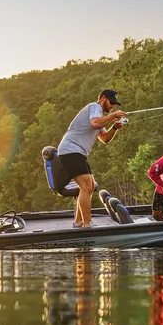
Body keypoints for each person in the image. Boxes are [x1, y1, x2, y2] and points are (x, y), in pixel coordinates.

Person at [57, 89, 126, 228]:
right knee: (86, 186)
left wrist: (114, 128)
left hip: (77, 152)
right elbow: (95, 123)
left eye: (114, 104)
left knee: (89, 187)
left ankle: (78, 222)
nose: (112, 106)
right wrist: (113, 116)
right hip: (70, 150)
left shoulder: (100, 118)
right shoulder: (94, 108)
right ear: (103, 99)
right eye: (111, 102)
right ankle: (87, 225)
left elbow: (105, 139)